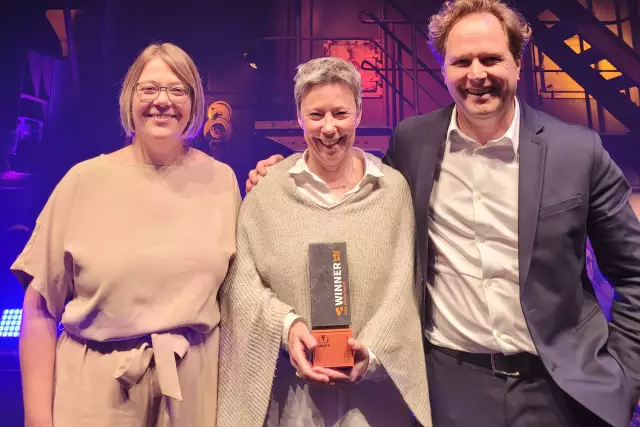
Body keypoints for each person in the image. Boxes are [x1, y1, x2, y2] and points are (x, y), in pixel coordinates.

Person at [245, 1, 640, 426]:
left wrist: (624, 374)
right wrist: (280, 170)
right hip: (450, 389)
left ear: (518, 63)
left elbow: (633, 272)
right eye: (461, 61)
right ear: (443, 68)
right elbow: (356, 197)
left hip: (560, 389)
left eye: (491, 59)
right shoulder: (413, 142)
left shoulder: (578, 151)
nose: (477, 74)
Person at [13, 42, 240, 427]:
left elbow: (240, 297)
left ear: (195, 102)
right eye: (148, 88)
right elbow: (39, 310)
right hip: (95, 396)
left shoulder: (222, 181)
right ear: (129, 98)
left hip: (191, 396)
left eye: (177, 89)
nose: (162, 101)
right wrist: (37, 420)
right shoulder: (84, 181)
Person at [217, 57, 431, 427]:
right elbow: (242, 284)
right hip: (290, 395)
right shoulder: (268, 191)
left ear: (359, 114)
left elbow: (403, 286)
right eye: (316, 115)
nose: (329, 128)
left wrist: (372, 351)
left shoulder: (392, 190)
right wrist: (287, 327)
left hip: (375, 396)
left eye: (340, 113)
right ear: (299, 118)